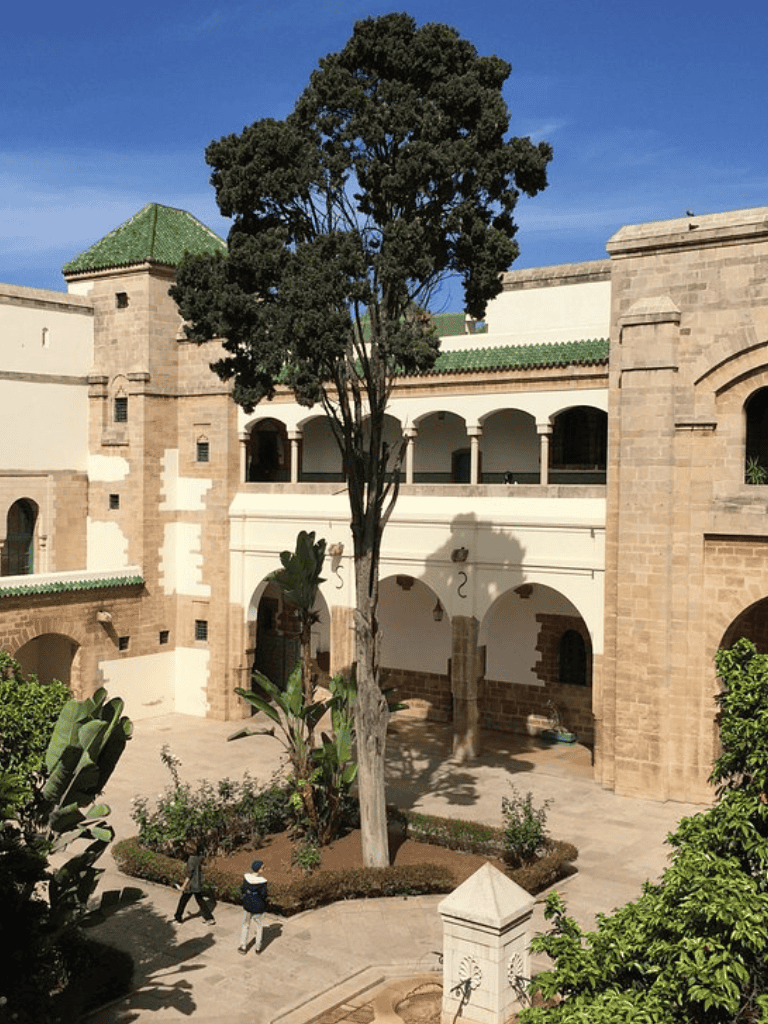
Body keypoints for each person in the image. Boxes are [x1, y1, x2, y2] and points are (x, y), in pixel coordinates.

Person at [175, 840, 215, 925]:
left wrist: (183, 886)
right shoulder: (198, 857)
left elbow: (189, 875)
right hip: (198, 883)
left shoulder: (191, 860)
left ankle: (178, 918)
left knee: (183, 901)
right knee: (200, 901)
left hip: (191, 885)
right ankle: (210, 919)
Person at [238, 859, 268, 954]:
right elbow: (264, 894)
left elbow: (242, 889)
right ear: (259, 869)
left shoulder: (246, 877)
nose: (264, 869)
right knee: (259, 927)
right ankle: (258, 948)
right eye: (263, 867)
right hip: (258, 906)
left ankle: (243, 946)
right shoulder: (263, 881)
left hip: (247, 905)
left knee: (245, 925)